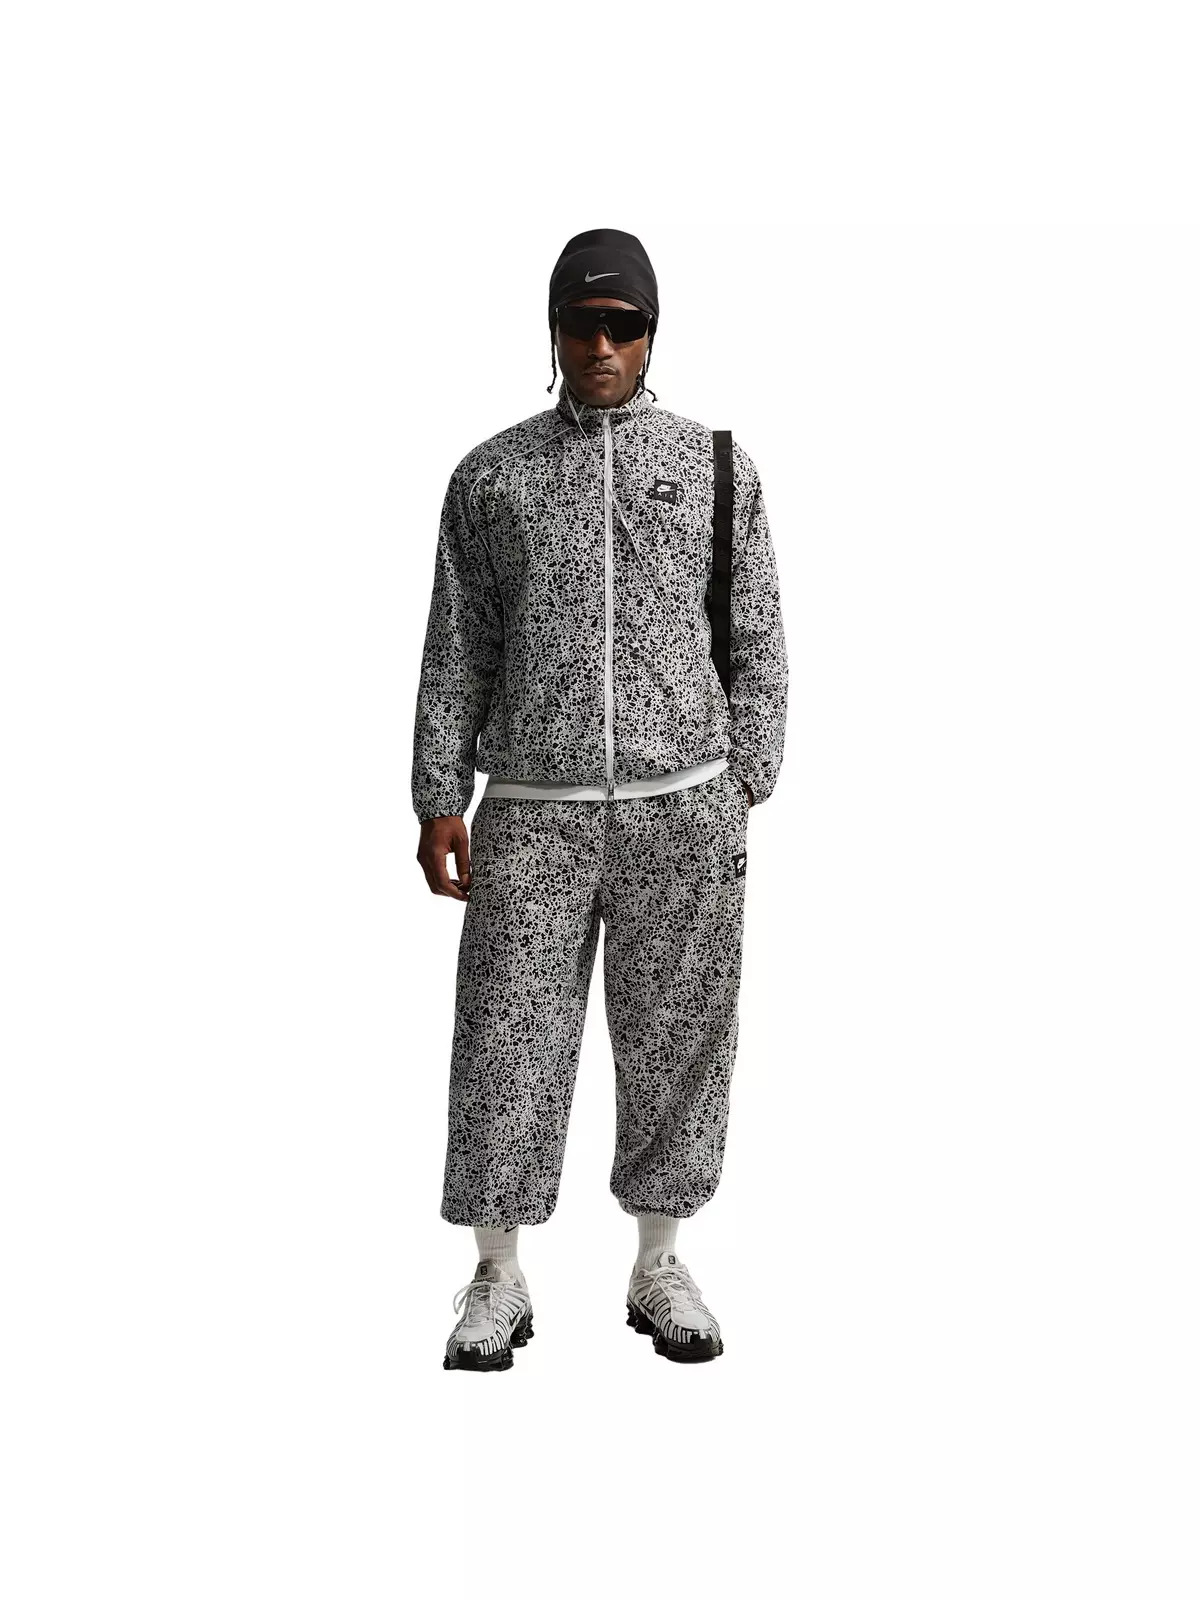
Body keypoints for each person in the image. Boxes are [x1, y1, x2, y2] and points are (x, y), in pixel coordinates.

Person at [412, 227, 788, 1370]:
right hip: (533, 810)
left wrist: (747, 777)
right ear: (555, 330)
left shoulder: (716, 466)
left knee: (680, 1039)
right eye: (584, 324)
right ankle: (497, 1276)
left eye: (624, 325)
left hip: (686, 808)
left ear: (652, 334)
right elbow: (458, 647)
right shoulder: (493, 478)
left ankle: (659, 1262)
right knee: (504, 1044)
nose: (602, 345)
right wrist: (438, 793)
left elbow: (757, 635)